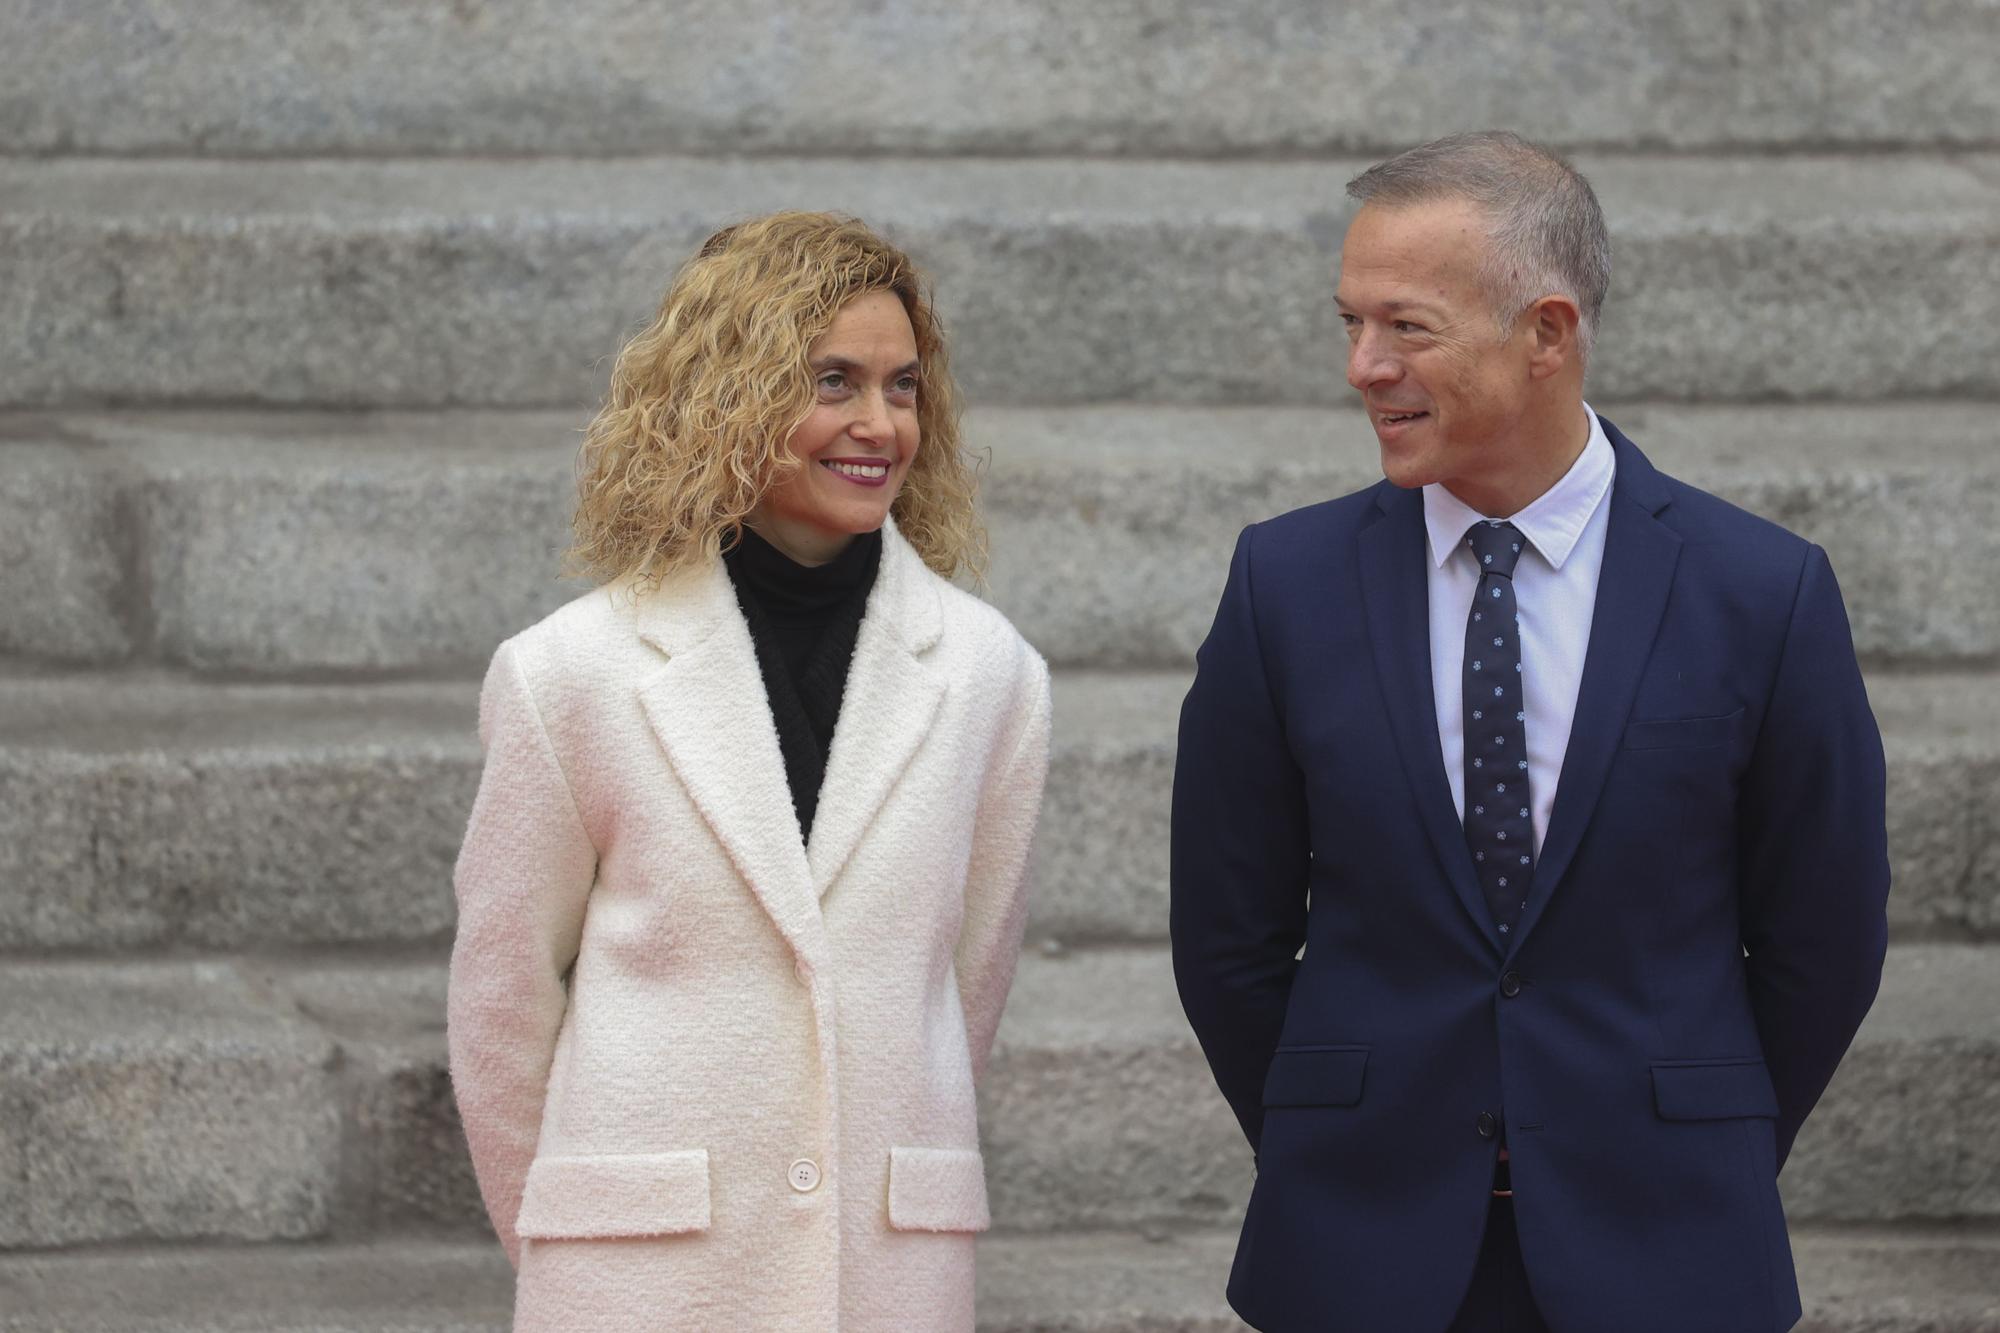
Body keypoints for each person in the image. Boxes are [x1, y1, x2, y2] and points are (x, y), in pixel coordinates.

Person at [1169, 132, 1889, 1333]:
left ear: (1545, 332)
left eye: (1405, 326)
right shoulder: (1281, 582)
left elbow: (1822, 939)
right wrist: (1338, 1136)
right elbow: (1225, 940)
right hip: (1358, 1248)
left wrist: (1692, 1137)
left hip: (1666, 1245)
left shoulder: (1762, 590)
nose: (1360, 365)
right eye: (1348, 322)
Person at [448, 212, 1051, 1332]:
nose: (879, 424)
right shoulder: (567, 671)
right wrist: (564, 1242)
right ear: (728, 394)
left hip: (886, 1276)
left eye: (903, 387)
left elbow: (959, 990)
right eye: (832, 382)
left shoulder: (991, 676)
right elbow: (501, 1001)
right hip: (635, 1279)